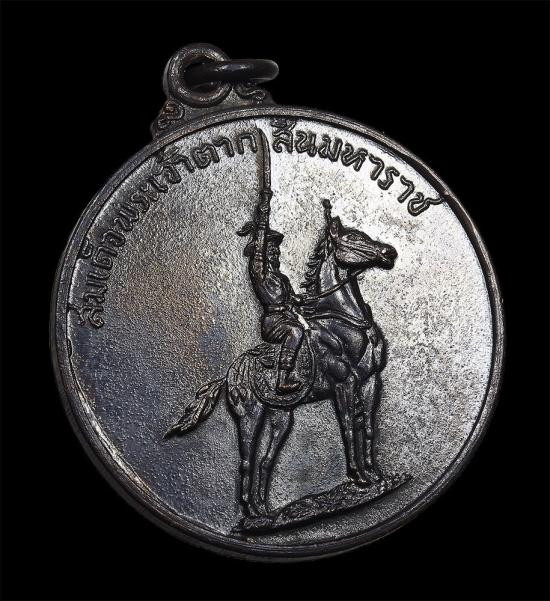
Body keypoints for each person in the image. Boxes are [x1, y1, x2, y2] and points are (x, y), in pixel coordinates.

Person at [237, 193, 305, 395]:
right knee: (295, 332)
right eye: (271, 250)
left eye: (277, 250)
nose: (276, 253)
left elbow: (293, 300)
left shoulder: (281, 278)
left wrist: (304, 301)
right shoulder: (260, 275)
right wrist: (263, 216)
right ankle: (282, 379)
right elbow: (259, 250)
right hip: (273, 323)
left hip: (287, 316)